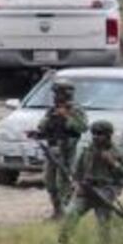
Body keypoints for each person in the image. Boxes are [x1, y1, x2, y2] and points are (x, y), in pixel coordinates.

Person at [55, 121, 123, 244]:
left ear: (108, 135)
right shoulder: (87, 151)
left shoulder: (118, 152)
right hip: (86, 190)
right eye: (94, 134)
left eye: (100, 134)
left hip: (105, 191)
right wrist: (76, 184)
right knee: (70, 215)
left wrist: (113, 163)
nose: (96, 137)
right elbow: (77, 172)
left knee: (104, 224)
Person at [31, 78, 88, 219]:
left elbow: (82, 127)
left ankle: (67, 212)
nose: (55, 96)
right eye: (55, 93)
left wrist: (66, 116)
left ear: (67, 94)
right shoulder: (52, 110)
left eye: (59, 93)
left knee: (65, 182)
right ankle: (57, 211)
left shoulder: (75, 110)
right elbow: (43, 127)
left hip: (68, 151)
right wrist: (37, 133)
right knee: (50, 182)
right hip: (52, 150)